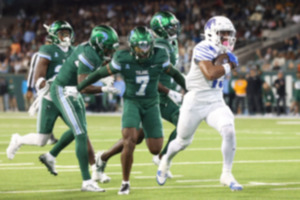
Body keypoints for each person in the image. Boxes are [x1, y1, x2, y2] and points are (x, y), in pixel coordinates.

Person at [76, 26, 186, 195]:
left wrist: (189, 88)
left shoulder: (160, 55)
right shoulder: (122, 57)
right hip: (132, 101)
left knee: (155, 149)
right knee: (130, 140)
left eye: (147, 45)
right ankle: (125, 183)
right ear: (132, 46)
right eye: (140, 46)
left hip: (151, 103)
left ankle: (103, 157)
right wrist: (80, 86)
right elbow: (99, 73)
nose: (145, 50)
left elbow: (175, 73)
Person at [93, 11, 183, 181]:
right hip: (156, 95)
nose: (174, 30)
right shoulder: (158, 47)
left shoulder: (170, 43)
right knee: (183, 123)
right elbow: (147, 74)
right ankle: (162, 158)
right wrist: (169, 91)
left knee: (135, 138)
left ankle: (102, 158)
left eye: (174, 26)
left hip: (161, 94)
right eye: (170, 27)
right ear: (160, 29)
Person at [156, 16, 243, 191]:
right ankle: (165, 159)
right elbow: (210, 74)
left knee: (228, 129)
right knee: (182, 142)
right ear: (212, 33)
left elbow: (225, 72)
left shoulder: (226, 51)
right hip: (195, 100)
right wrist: (229, 65)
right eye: (222, 33)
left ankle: (226, 173)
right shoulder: (202, 47)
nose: (226, 36)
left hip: (215, 99)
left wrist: (230, 64)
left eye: (228, 33)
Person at [38, 25, 120, 192]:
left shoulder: (95, 50)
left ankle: (50, 155)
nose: (109, 50)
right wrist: (103, 88)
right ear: (98, 44)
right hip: (63, 90)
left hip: (72, 90)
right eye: (107, 46)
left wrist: (107, 77)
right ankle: (86, 181)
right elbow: (83, 86)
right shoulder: (88, 54)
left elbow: (103, 63)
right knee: (80, 133)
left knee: (81, 129)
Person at [6, 21, 74, 160]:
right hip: (48, 94)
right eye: (62, 34)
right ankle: (19, 140)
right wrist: (32, 88)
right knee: (41, 140)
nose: (65, 38)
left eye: (67, 34)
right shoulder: (44, 52)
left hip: (65, 96)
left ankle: (93, 169)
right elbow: (34, 74)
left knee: (79, 129)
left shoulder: (70, 52)